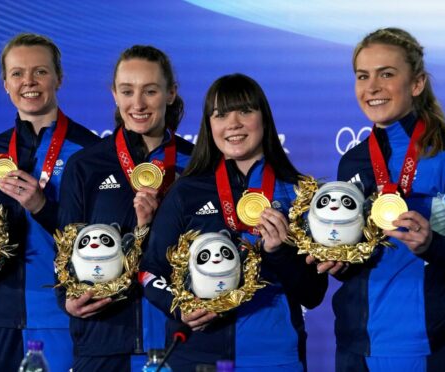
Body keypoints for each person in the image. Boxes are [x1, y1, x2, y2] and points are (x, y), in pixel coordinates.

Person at [140, 73, 328, 371]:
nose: (233, 123)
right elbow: (149, 272)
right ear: (209, 125)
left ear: (263, 118)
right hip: (197, 356)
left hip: (274, 357)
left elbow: (313, 294)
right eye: (221, 114)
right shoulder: (185, 191)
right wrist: (179, 307)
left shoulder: (298, 192)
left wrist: (279, 252)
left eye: (245, 110)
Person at [316, 27, 445, 371]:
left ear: (416, 84)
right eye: (362, 76)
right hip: (354, 348)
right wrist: (338, 259)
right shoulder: (352, 161)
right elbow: (358, 261)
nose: (372, 88)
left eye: (386, 74)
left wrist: (432, 244)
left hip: (423, 349)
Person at [57, 45, 194, 371]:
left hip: (179, 339)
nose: (138, 103)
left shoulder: (198, 164)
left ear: (170, 93)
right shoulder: (86, 165)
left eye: (150, 91)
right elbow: (64, 247)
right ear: (114, 95)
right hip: (104, 338)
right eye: (127, 91)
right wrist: (67, 299)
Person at [0, 33, 100, 372]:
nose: (28, 82)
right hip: (1, 312)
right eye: (17, 73)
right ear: (5, 83)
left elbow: (96, 235)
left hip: (60, 311)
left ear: (59, 78)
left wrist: (41, 206)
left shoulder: (88, 149)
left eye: (40, 72)